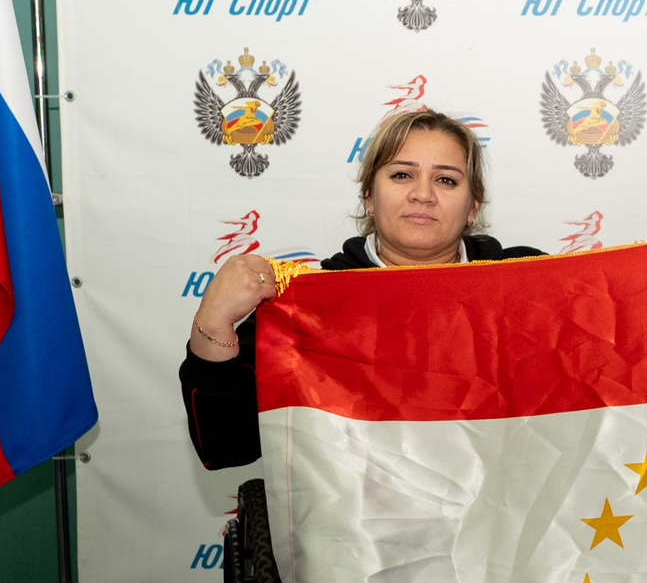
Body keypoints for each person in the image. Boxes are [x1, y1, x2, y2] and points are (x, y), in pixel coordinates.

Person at [180, 108, 542, 468]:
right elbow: (225, 446)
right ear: (369, 196)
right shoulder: (306, 304)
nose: (423, 194)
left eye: (446, 180)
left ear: (473, 207)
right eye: (402, 174)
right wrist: (213, 323)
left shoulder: (530, 285)